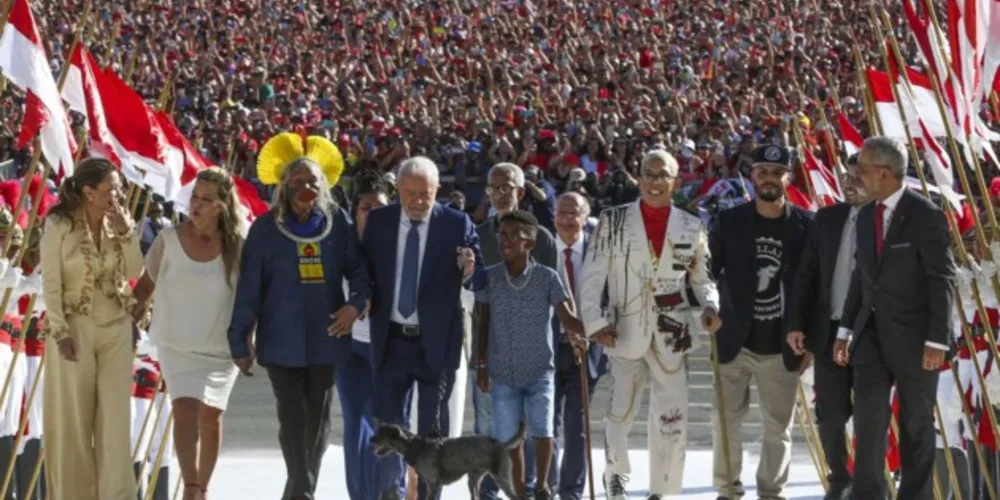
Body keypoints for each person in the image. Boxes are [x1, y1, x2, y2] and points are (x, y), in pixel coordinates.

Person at [227, 133, 371, 500]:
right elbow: (249, 290)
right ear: (283, 186)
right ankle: (304, 491)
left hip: (328, 338)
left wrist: (355, 305)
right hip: (280, 340)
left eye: (313, 181)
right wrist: (239, 337)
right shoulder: (264, 229)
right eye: (298, 181)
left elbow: (359, 271)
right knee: (291, 419)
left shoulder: (337, 222)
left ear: (323, 186)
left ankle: (299, 492)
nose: (306, 187)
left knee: (317, 423)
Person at [580, 150, 721, 500]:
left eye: (664, 175)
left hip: (673, 334)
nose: (655, 181)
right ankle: (618, 483)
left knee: (671, 417)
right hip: (622, 330)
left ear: (675, 181)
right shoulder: (610, 221)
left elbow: (703, 280)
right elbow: (591, 277)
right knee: (619, 414)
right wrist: (594, 322)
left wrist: (711, 305)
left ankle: (663, 490)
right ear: (638, 178)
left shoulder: (691, 225)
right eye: (649, 173)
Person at [835, 137, 958, 500]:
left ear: (884, 173)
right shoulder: (864, 216)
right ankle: (868, 494)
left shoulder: (926, 215)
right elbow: (861, 277)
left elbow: (942, 278)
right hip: (869, 335)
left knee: (916, 425)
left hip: (917, 340)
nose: (855, 175)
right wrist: (845, 328)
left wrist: (938, 340)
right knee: (868, 420)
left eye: (863, 169)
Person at [363, 156, 485, 500]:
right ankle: (392, 492)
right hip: (392, 340)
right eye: (410, 193)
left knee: (433, 433)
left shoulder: (456, 224)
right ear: (398, 189)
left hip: (435, 343)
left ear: (437, 191)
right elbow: (364, 269)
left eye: (426, 194)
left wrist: (469, 268)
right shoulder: (379, 222)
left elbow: (480, 279)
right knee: (388, 427)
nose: (418, 201)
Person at [133, 167, 247, 500]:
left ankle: (203, 489)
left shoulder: (239, 246)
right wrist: (125, 321)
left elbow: (252, 298)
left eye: (206, 199)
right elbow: (143, 288)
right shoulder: (168, 239)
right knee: (184, 407)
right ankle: (191, 486)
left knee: (211, 417)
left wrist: (249, 339)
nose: (196, 205)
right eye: (194, 197)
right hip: (175, 344)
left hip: (220, 348)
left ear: (222, 204)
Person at [709, 145, 813, 500]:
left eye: (777, 172)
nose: (769, 178)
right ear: (753, 176)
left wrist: (810, 338)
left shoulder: (806, 224)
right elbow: (706, 272)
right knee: (725, 424)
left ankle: (771, 493)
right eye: (763, 171)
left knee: (778, 430)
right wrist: (709, 309)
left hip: (782, 345)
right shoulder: (729, 221)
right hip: (733, 341)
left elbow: (815, 285)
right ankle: (727, 491)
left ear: (789, 177)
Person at [39, 158, 143, 500]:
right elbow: (50, 283)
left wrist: (127, 231)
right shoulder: (59, 223)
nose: (118, 194)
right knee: (74, 423)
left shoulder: (119, 222)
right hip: (75, 328)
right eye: (111, 188)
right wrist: (60, 331)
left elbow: (135, 269)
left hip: (116, 326)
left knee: (116, 422)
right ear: (88, 191)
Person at [474, 210, 586, 500]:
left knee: (542, 428)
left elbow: (568, 318)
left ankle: (543, 486)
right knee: (509, 437)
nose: (505, 241)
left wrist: (593, 330)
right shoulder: (491, 278)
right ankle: (520, 489)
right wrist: (482, 365)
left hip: (539, 370)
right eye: (502, 235)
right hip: (503, 372)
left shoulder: (547, 277)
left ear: (529, 244)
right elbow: (482, 323)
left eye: (513, 235)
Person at [785, 154, 870, 500]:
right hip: (829, 332)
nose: (848, 183)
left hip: (871, 334)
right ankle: (839, 478)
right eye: (845, 176)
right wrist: (796, 324)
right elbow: (806, 275)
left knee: (871, 413)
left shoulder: (888, 220)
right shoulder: (827, 218)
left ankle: (871, 478)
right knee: (831, 414)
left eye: (857, 177)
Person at [474, 162, 558, 500]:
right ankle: (492, 493)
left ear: (520, 192)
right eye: (493, 188)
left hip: (535, 352)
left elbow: (554, 294)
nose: (499, 193)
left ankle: (537, 489)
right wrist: (480, 359)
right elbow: (478, 303)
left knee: (539, 427)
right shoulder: (477, 237)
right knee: (491, 428)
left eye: (506, 187)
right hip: (489, 350)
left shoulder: (543, 239)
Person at [548, 192, 608, 500]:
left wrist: (593, 331)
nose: (567, 219)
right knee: (545, 425)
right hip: (547, 349)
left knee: (577, 425)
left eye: (574, 213)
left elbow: (612, 298)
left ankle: (570, 492)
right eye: (562, 212)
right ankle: (548, 487)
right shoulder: (542, 252)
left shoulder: (601, 252)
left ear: (586, 218)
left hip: (587, 350)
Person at [337, 171, 391, 500]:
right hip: (348, 346)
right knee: (355, 425)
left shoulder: (401, 245)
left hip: (387, 349)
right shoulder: (340, 244)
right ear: (355, 210)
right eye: (365, 207)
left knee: (382, 428)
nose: (372, 213)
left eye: (380, 207)